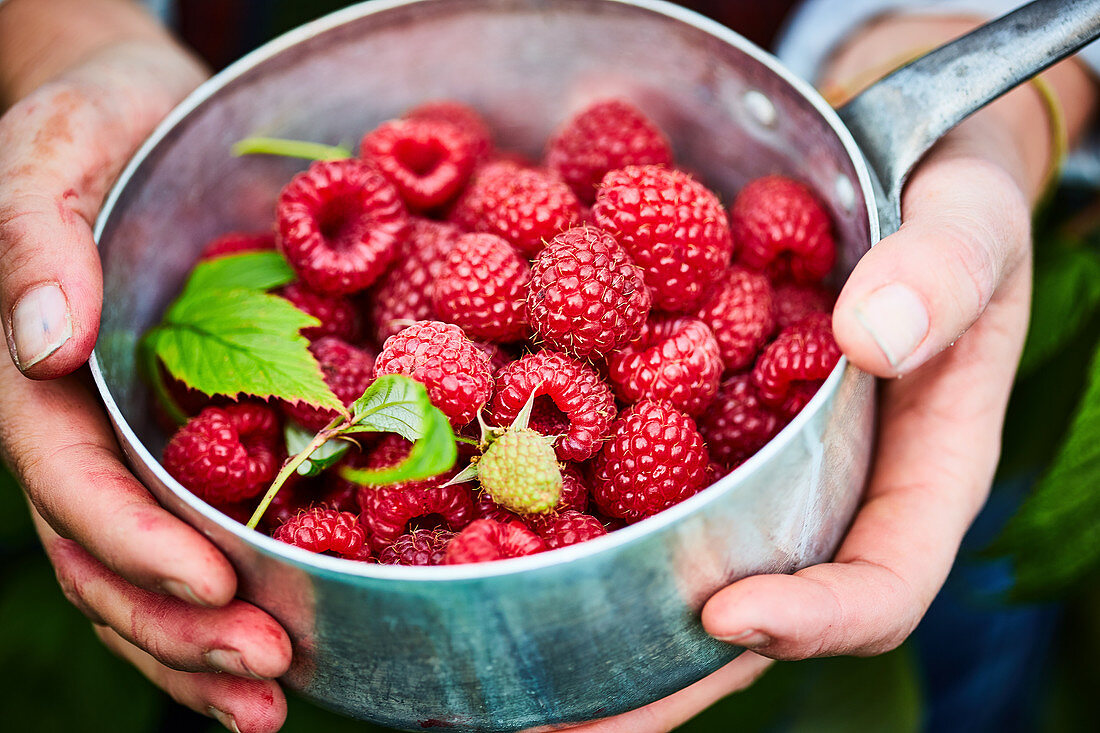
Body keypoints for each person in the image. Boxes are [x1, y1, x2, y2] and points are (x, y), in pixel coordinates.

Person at [0, 0, 1095, 731]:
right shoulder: (432, 363)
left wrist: (1002, 123)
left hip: (850, 475)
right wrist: (68, 41)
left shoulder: (608, 298)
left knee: (960, 663)